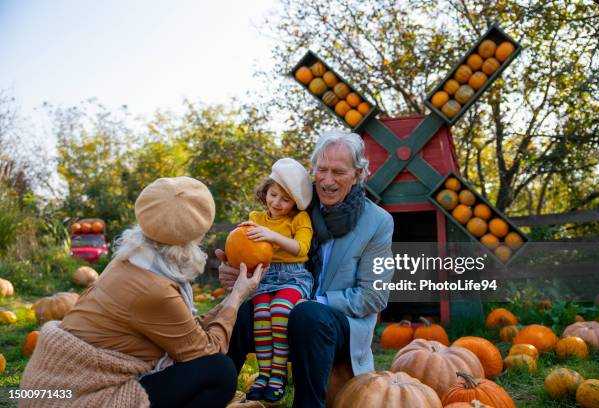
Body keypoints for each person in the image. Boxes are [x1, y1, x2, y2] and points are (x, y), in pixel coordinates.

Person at [20, 177, 265, 408]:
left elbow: (185, 332)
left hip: (60, 385)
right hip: (81, 396)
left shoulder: (133, 259)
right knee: (218, 372)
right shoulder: (154, 288)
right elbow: (206, 352)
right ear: (197, 233)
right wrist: (236, 298)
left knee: (227, 337)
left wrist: (231, 298)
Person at [216, 131, 395, 407]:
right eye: (321, 170)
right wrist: (236, 272)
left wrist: (311, 301)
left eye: (338, 172)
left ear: (358, 174)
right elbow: (262, 249)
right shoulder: (296, 203)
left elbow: (374, 297)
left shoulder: (378, 222)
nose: (326, 180)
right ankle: (213, 393)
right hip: (282, 299)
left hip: (337, 320)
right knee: (240, 314)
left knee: (307, 315)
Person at [240, 158, 314, 402]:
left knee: (280, 310)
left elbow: (301, 249)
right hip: (265, 277)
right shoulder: (256, 218)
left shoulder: (299, 219)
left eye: (285, 199)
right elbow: (244, 246)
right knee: (261, 315)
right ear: (266, 191)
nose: (277, 203)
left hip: (293, 276)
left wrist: (273, 236)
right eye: (273, 195)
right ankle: (264, 373)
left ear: (295, 202)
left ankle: (279, 373)